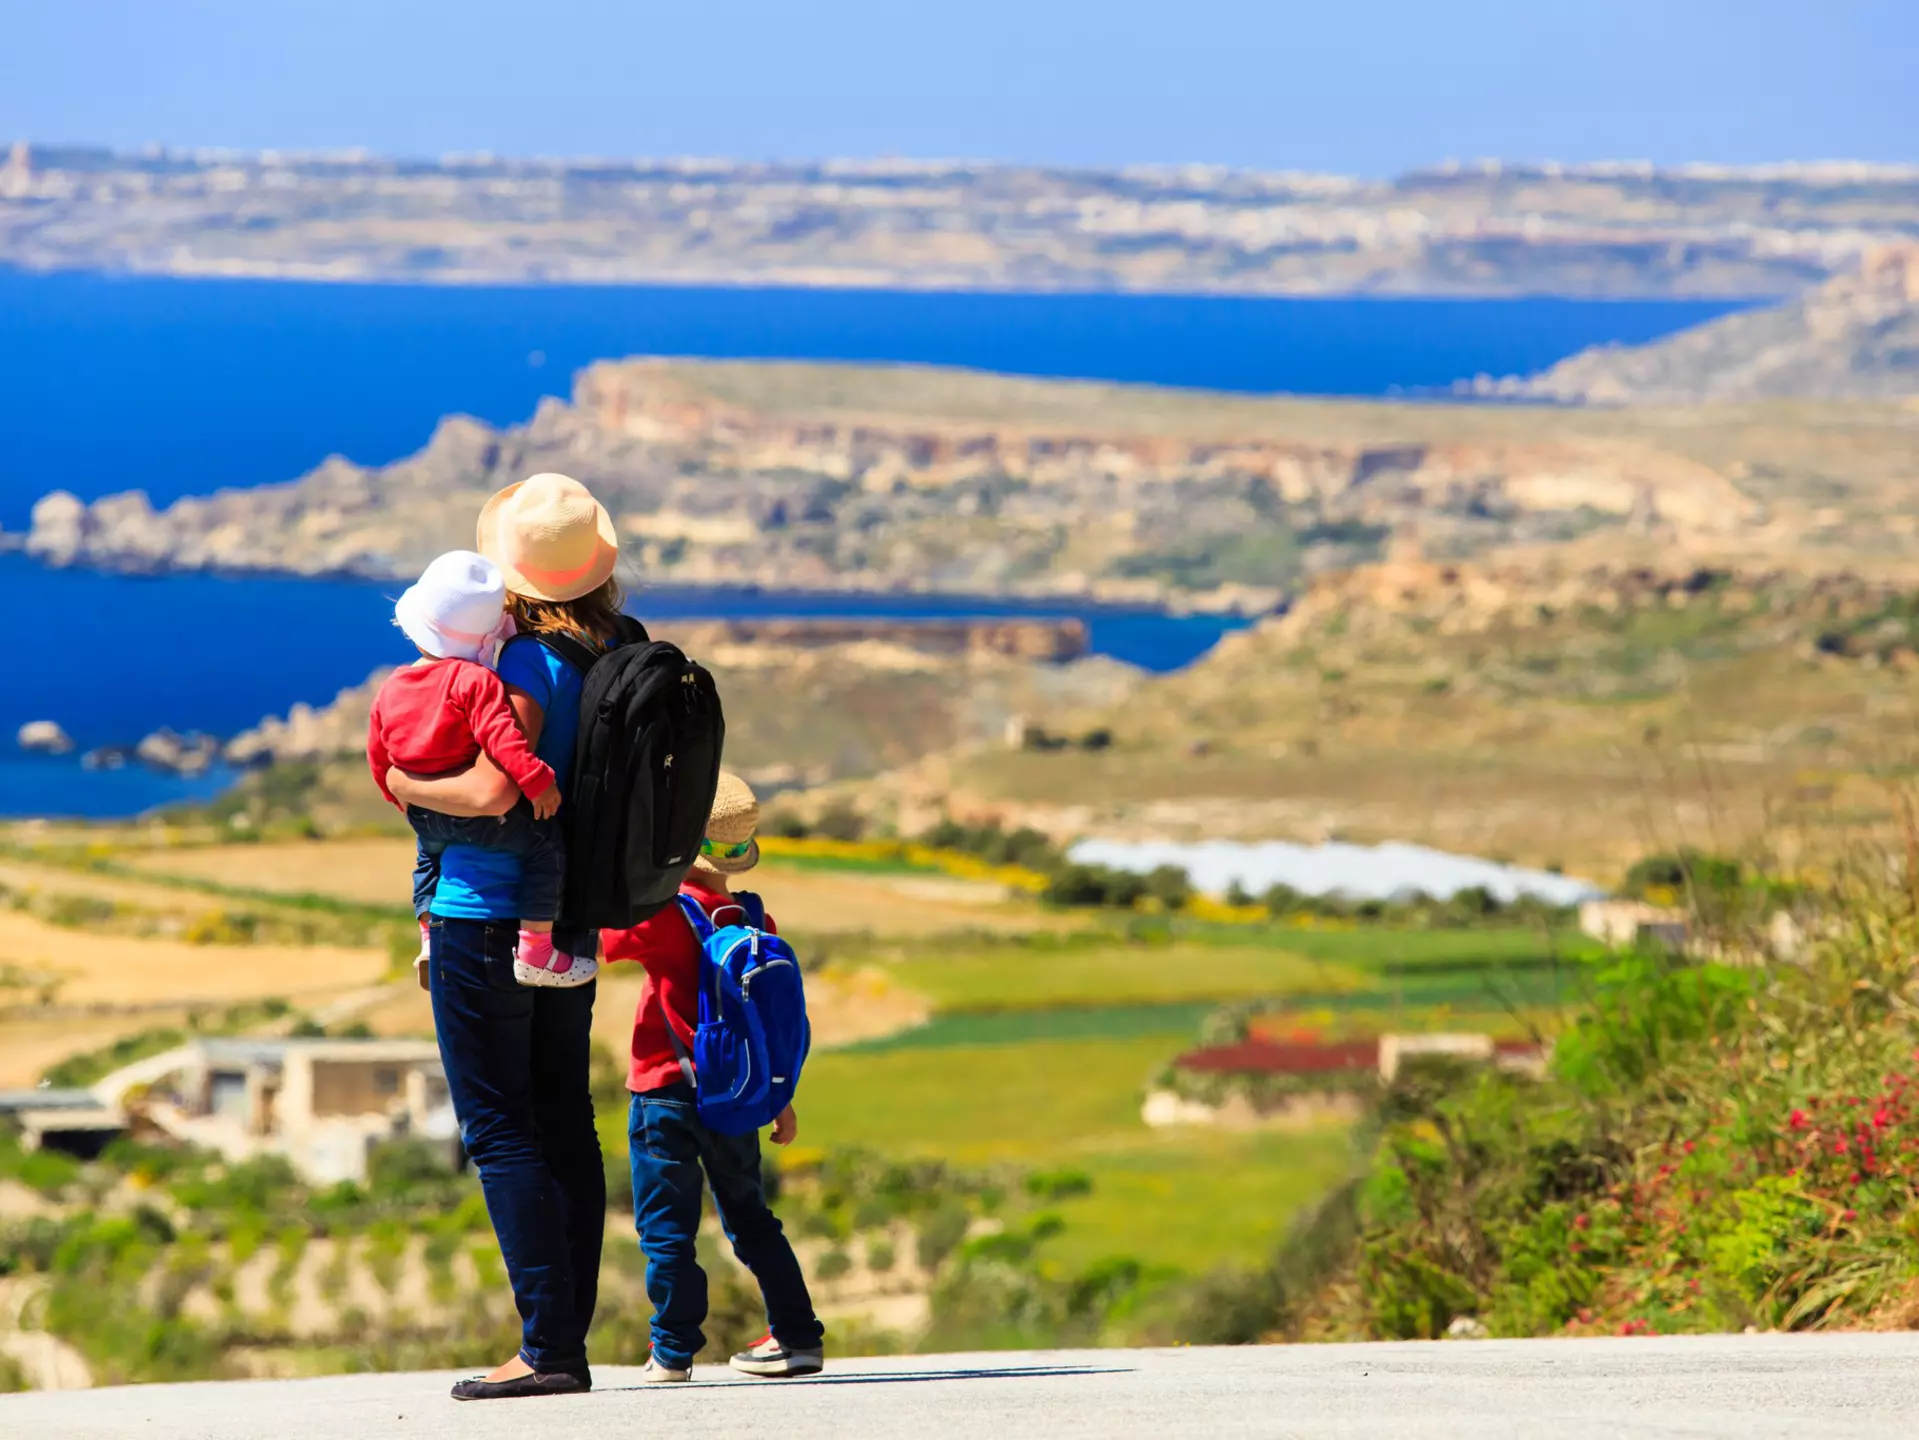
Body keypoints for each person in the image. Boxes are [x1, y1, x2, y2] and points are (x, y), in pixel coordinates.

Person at [384, 473, 623, 1401]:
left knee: (499, 1128)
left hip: (485, 917)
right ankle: (565, 1333)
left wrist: (408, 789)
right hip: (566, 915)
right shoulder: (612, 648)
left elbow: (493, 791)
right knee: (567, 1113)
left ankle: (547, 1347)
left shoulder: (524, 663)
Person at [601, 771, 826, 1381]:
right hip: (737, 1096)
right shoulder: (755, 919)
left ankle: (672, 1352)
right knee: (752, 1219)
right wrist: (779, 1100)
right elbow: (769, 1023)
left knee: (667, 1230)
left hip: (662, 1092)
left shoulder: (662, 915)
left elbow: (596, 945)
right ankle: (798, 1336)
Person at [367, 549, 583, 989]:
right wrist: (539, 781)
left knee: (428, 859)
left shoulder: (392, 686)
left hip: (426, 816)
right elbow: (504, 740)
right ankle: (537, 950)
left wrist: (398, 797)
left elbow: (379, 754)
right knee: (545, 846)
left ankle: (428, 935)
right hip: (482, 820)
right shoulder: (475, 681)